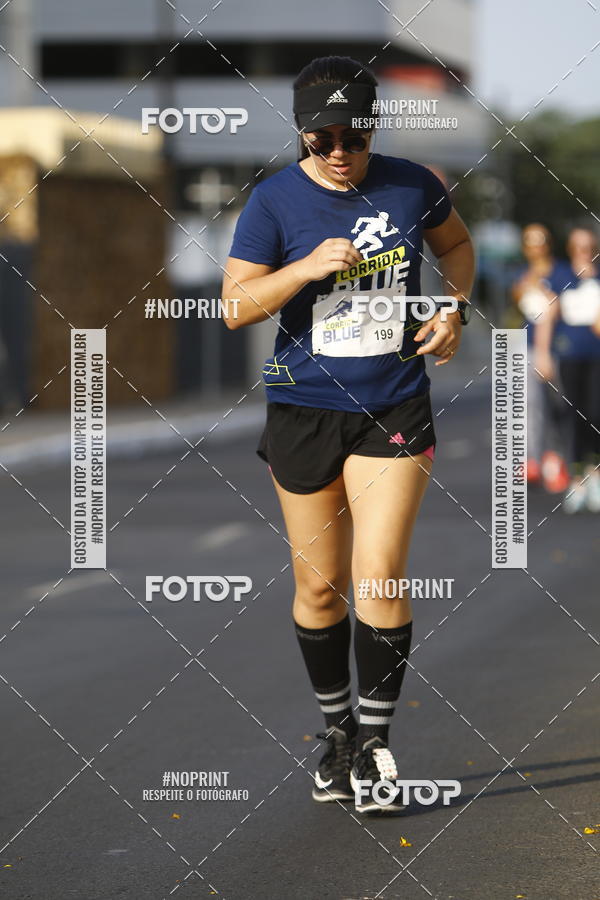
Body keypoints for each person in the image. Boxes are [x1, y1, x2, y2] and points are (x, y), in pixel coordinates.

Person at [222, 56, 475, 814]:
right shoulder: (273, 201)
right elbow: (236, 306)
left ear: (372, 128)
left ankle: (373, 744)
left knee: (380, 573)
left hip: (393, 403)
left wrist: (453, 309)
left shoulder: (412, 184)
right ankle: (335, 736)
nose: (339, 150)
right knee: (319, 587)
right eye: (321, 136)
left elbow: (456, 249)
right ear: (302, 135)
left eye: (354, 134)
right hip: (303, 411)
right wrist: (302, 269)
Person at [535, 226, 600, 513]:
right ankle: (577, 477)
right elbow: (547, 317)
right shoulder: (562, 276)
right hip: (570, 354)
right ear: (572, 249)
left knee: (596, 412)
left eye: (589, 247)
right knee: (573, 412)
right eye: (579, 247)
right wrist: (542, 353)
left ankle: (595, 471)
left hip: (596, 354)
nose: (584, 253)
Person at [511, 224, 570, 492]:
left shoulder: (562, 272)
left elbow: (558, 308)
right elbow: (519, 299)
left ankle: (558, 457)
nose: (535, 247)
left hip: (559, 348)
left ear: (548, 243)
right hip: (529, 346)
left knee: (559, 405)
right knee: (529, 404)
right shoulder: (523, 275)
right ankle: (531, 459)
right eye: (529, 241)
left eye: (540, 240)